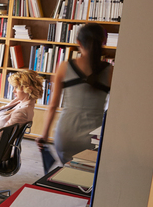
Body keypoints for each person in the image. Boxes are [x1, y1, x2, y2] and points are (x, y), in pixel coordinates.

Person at [37, 23, 113, 171]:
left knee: (66, 173)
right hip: (93, 138)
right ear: (103, 41)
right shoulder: (110, 71)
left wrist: (44, 135)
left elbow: (52, 106)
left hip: (66, 135)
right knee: (86, 178)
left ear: (78, 42)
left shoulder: (64, 67)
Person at [0, 69, 43, 154]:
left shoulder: (22, 112)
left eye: (17, 87)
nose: (13, 91)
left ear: (28, 88)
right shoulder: (19, 101)